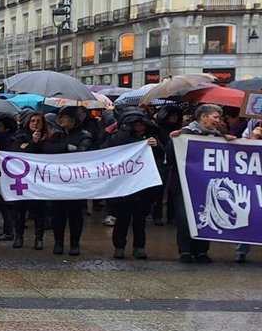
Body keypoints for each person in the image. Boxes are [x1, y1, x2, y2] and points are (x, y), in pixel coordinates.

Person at [168, 103, 234, 263]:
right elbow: (170, 158)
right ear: (204, 117)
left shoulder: (217, 136)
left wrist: (231, 142)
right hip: (183, 186)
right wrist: (173, 141)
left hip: (206, 186)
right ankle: (185, 251)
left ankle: (202, 251)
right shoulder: (184, 134)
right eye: (215, 117)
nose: (218, 120)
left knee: (206, 217)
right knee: (185, 218)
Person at [103, 109, 164, 259]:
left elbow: (162, 156)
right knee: (122, 219)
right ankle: (119, 246)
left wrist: (156, 146)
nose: (140, 128)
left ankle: (139, 247)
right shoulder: (118, 137)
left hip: (143, 187)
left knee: (139, 220)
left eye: (142, 125)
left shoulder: (151, 137)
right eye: (136, 125)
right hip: (125, 186)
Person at [40, 106, 91, 255]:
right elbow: (47, 149)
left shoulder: (84, 135)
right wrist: (66, 147)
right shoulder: (57, 136)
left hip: (76, 182)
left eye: (64, 117)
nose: (60, 119)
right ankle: (58, 243)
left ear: (73, 120)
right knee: (58, 214)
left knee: (76, 215)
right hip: (59, 183)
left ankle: (75, 243)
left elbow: (83, 154)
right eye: (59, 117)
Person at [11, 112, 50, 249]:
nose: (35, 123)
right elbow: (18, 152)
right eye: (33, 121)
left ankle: (39, 238)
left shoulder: (48, 137)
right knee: (20, 210)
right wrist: (33, 142)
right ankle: (19, 237)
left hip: (39, 180)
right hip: (23, 180)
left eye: (38, 121)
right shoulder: (20, 136)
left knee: (39, 210)